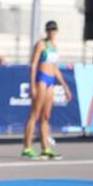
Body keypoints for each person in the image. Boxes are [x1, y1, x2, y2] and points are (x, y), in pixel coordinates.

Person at [22, 20, 72, 160]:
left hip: (50, 80)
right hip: (41, 79)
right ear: (46, 31)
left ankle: (45, 147)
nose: (52, 32)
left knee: (46, 116)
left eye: (54, 30)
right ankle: (27, 147)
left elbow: (55, 68)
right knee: (35, 114)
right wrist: (32, 85)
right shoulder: (41, 45)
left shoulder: (54, 46)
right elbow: (33, 65)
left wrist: (65, 86)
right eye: (49, 30)